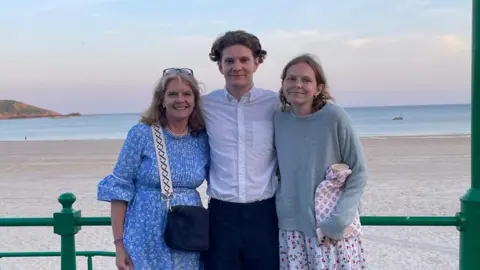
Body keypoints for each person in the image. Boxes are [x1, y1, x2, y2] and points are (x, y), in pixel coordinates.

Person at [97, 68, 210, 270]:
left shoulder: (202, 138)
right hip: (145, 234)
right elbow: (120, 189)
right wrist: (119, 245)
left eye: (187, 94)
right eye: (173, 94)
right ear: (162, 100)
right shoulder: (142, 134)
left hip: (188, 235)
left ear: (195, 100)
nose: (180, 99)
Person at [274, 54, 368, 269]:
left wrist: (339, 220)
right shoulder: (279, 119)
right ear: (283, 84)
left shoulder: (335, 116)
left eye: (306, 80)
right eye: (291, 78)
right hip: (290, 230)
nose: (298, 85)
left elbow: (359, 172)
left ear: (318, 88)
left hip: (329, 228)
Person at [201, 30, 280, 270]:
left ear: (257, 63)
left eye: (244, 60)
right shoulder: (204, 106)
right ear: (220, 67)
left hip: (265, 214)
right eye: (229, 61)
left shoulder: (277, 104)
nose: (237, 66)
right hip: (220, 215)